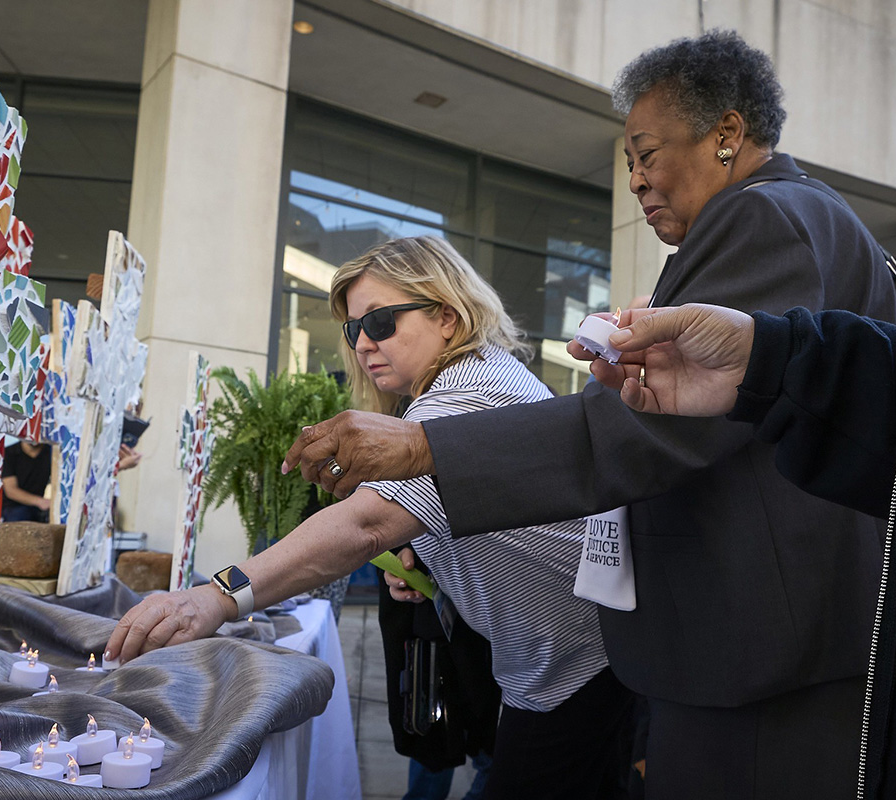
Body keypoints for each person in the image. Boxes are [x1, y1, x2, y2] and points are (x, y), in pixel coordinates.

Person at [282, 31, 896, 799]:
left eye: (648, 154)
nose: (640, 181)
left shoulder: (766, 218)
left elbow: (654, 437)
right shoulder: (792, 218)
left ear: (727, 135)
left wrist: (421, 446)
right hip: (767, 642)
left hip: (765, 650)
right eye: (629, 166)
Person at [106, 236, 632, 797]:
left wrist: (214, 596)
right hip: (558, 666)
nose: (363, 343)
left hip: (581, 668)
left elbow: (364, 523)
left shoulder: (466, 391)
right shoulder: (460, 385)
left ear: (448, 318)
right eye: (354, 329)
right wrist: (424, 555)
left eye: (379, 321)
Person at [571, 301, 896, 799]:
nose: (644, 214)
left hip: (764, 660)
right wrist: (764, 360)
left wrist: (439, 450)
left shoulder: (764, 223)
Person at [1, 440, 52, 522]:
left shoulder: (51, 452)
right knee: (20, 515)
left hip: (38, 507)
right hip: (13, 507)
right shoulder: (8, 453)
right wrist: (41, 502)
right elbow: (11, 491)